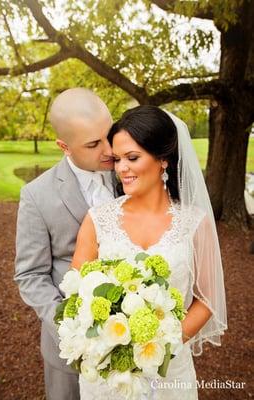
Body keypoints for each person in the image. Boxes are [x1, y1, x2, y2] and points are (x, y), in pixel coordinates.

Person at [71, 105, 228, 399]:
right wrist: (117, 347)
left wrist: (157, 346)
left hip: (169, 370)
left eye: (132, 158)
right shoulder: (97, 220)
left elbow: (207, 298)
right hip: (109, 377)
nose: (121, 169)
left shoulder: (195, 224)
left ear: (163, 159)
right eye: (117, 159)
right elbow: (76, 292)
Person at [14, 88, 120, 400]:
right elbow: (30, 275)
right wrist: (71, 323)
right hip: (70, 352)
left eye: (109, 135)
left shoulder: (129, 171)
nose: (109, 149)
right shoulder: (36, 195)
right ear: (64, 147)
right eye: (93, 144)